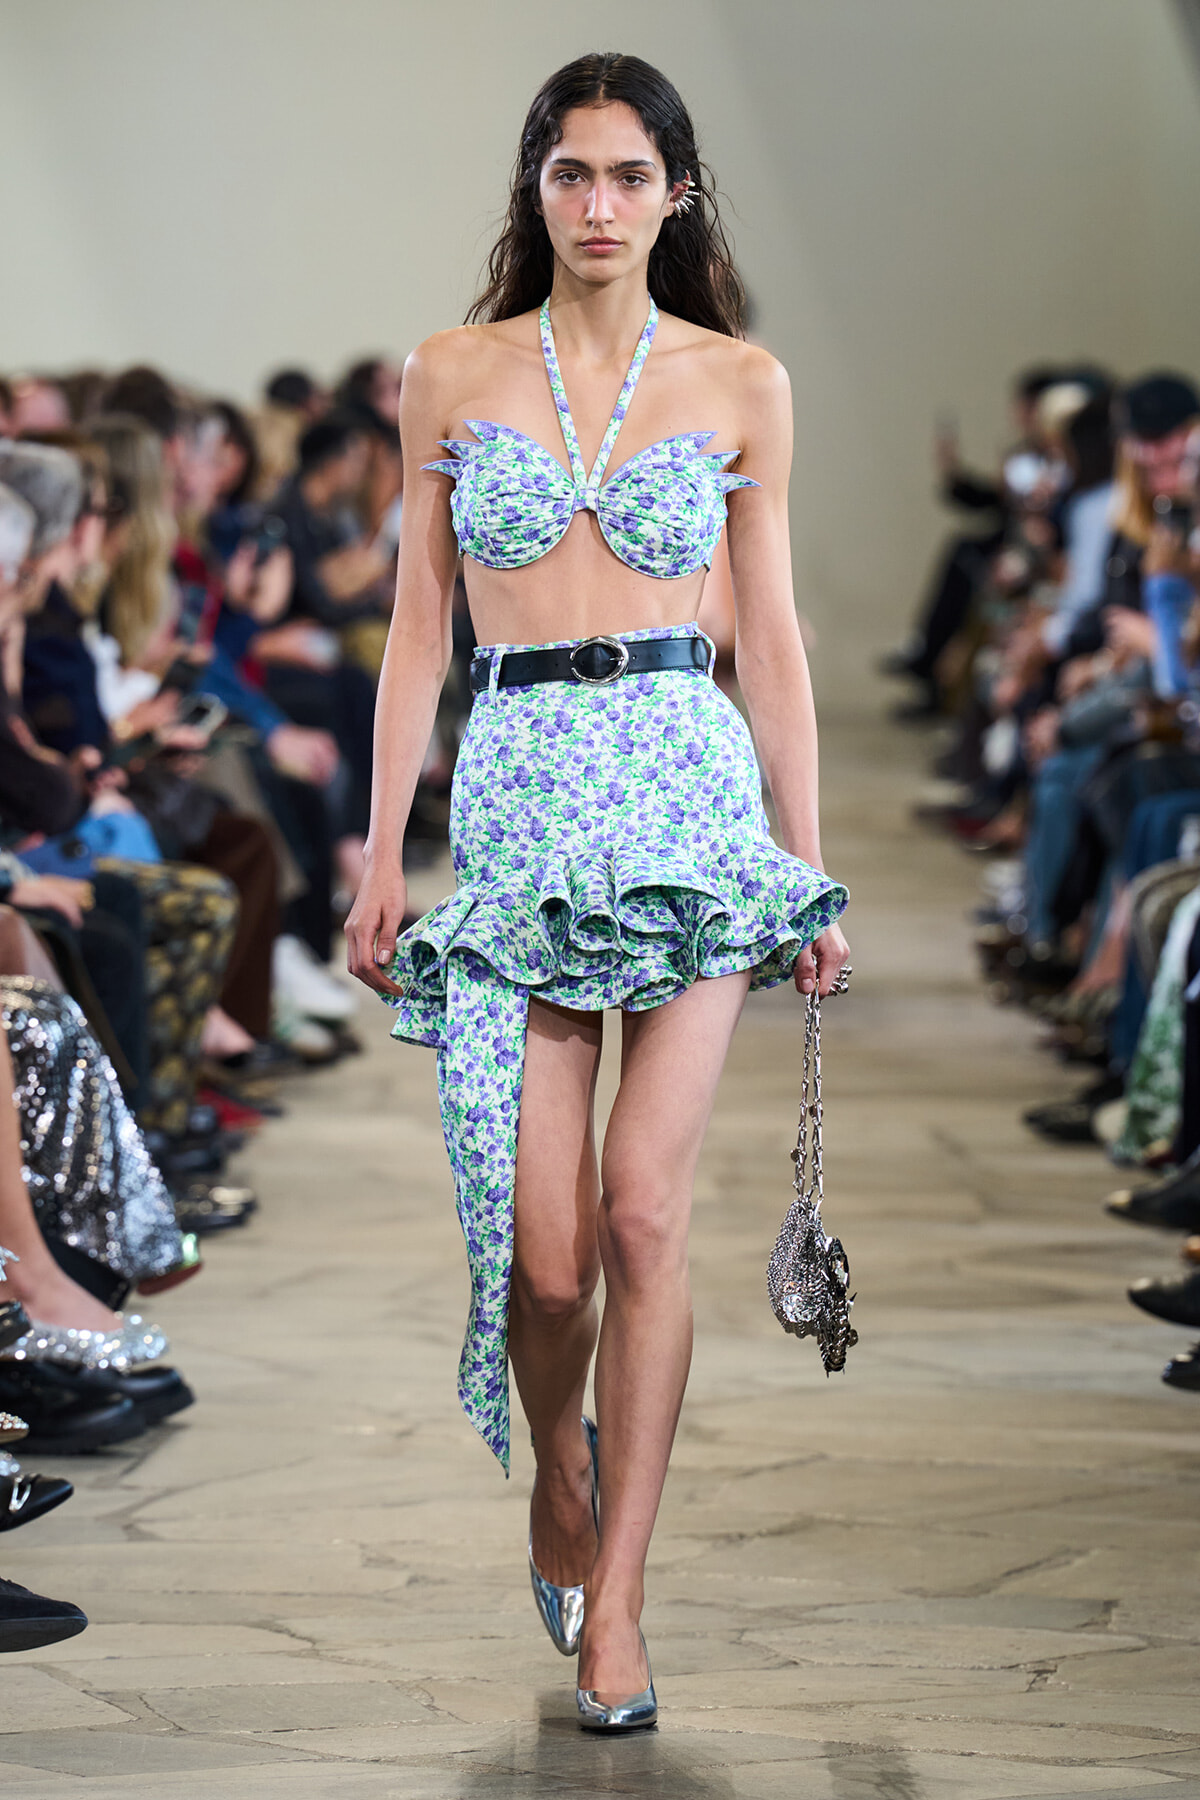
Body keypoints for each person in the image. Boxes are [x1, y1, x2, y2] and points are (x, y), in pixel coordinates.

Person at [346, 52, 849, 1731]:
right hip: (520, 804)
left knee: (645, 1214)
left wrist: (808, 860)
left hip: (688, 805)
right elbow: (422, 627)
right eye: (573, 175)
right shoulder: (450, 372)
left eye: (632, 177)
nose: (601, 205)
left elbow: (768, 639)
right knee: (544, 1266)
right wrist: (375, 848)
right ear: (535, 187)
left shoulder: (739, 382)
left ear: (678, 193)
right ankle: (554, 1462)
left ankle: (620, 1597)